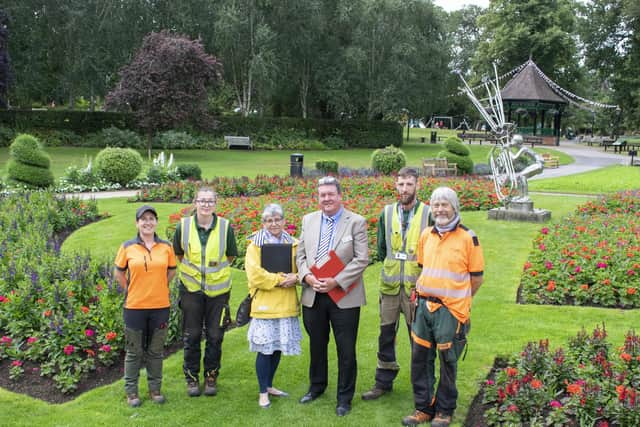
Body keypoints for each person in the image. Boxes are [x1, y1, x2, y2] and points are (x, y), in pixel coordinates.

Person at [402, 187, 484, 427]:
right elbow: (423, 267)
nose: (439, 209)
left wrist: (460, 300)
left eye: (444, 205)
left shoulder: (469, 238)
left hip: (451, 310)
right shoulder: (426, 234)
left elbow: (476, 277)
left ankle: (444, 411)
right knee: (420, 358)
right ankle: (424, 408)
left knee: (448, 360)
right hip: (424, 307)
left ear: (454, 207)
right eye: (436, 205)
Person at [296, 176, 369, 417]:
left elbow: (361, 259)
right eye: (322, 195)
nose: (326, 198)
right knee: (317, 345)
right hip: (314, 293)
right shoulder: (308, 220)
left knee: (346, 349)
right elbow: (301, 256)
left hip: (344, 295)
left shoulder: (356, 222)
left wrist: (336, 281)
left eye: (330, 194)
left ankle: (344, 398)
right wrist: (307, 277)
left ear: (339, 196)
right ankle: (317, 386)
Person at [362, 167, 431, 400]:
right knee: (386, 336)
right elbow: (382, 249)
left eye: (409, 184)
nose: (404, 189)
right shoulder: (387, 212)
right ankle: (383, 382)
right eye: (400, 184)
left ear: (417, 186)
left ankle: (422, 386)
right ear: (395, 185)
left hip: (416, 289)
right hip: (390, 287)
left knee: (419, 338)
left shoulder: (428, 214)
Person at [172, 187, 238, 397]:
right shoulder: (183, 226)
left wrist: (211, 273)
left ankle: (211, 376)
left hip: (218, 293)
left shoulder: (225, 227)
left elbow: (230, 256)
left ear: (215, 204)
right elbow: (178, 254)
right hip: (191, 291)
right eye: (202, 201)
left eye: (210, 201)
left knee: (215, 336)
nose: (206, 205)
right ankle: (191, 378)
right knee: (191, 336)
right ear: (195, 202)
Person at [114, 205, 177, 407]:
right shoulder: (127, 247)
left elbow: (172, 271)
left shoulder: (166, 247)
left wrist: (161, 286)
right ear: (137, 223)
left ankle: (155, 389)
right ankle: (131, 392)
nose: (147, 222)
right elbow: (118, 273)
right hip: (134, 307)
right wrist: (130, 289)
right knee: (134, 352)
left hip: (160, 307)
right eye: (143, 219)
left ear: (156, 222)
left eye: (151, 218)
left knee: (156, 351)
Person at [245, 203, 302, 408]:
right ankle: (262, 392)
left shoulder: (295, 244)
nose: (274, 223)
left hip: (286, 304)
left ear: (284, 221)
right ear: (263, 223)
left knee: (277, 347)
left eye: (278, 219)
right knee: (265, 349)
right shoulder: (255, 245)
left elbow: (302, 268)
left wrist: (296, 277)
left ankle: (269, 385)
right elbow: (255, 276)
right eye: (269, 220)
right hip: (265, 305)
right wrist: (281, 279)